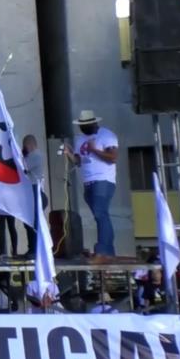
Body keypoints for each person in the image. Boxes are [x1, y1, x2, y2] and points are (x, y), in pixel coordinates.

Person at [63, 110, 118, 259]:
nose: (82, 128)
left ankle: (104, 249)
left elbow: (113, 157)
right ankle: (107, 249)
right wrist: (69, 153)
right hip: (88, 182)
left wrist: (94, 150)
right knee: (100, 215)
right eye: (81, 125)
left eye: (85, 125)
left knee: (101, 214)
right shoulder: (80, 139)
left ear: (94, 123)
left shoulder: (106, 135)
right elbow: (78, 161)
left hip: (103, 180)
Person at [21, 134, 46, 259]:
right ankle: (32, 247)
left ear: (29, 145)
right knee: (28, 221)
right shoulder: (30, 156)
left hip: (35, 190)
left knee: (33, 221)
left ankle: (36, 248)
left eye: (24, 146)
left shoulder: (36, 155)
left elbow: (23, 168)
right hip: (30, 191)